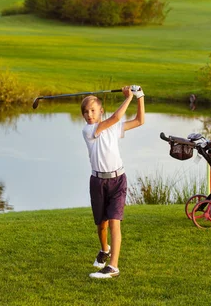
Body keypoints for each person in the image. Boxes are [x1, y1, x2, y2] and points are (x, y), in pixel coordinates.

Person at [81, 85, 145, 279]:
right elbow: (116, 118)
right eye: (85, 112)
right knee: (102, 224)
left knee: (115, 222)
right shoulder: (89, 130)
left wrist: (140, 97)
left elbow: (140, 121)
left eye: (93, 110)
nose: (89, 115)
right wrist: (128, 97)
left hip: (118, 180)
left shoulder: (113, 128)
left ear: (101, 110)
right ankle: (104, 249)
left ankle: (113, 266)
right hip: (98, 182)